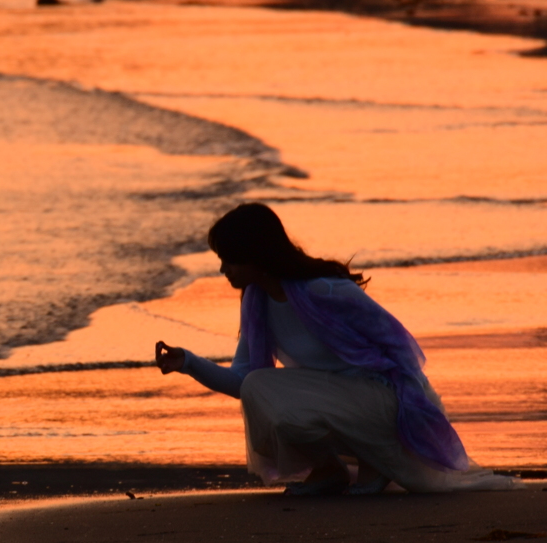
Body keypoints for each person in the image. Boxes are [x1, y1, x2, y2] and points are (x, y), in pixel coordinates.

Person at [155, 203, 520, 495]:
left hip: (388, 399)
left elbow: (401, 348)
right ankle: (329, 470)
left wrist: (413, 412)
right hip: (342, 400)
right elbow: (243, 380)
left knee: (262, 386)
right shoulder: (257, 301)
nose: (222, 269)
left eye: (230, 259)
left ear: (256, 255)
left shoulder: (322, 291)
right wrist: (187, 362)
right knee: (257, 386)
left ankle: (373, 460)